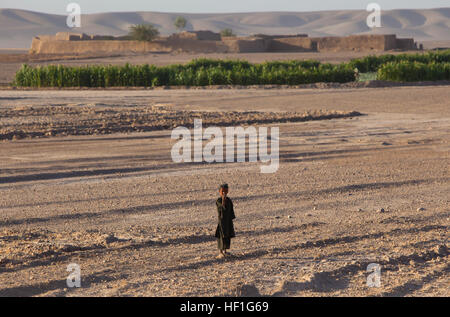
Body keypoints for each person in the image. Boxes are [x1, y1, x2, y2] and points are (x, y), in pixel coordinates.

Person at [215, 183, 236, 259]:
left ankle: (225, 250)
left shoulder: (229, 200)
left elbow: (231, 210)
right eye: (222, 191)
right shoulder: (219, 200)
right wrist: (223, 200)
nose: (224, 193)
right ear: (220, 192)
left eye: (225, 191)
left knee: (227, 235)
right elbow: (221, 208)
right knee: (221, 235)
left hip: (228, 221)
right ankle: (221, 251)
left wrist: (231, 218)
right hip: (222, 221)